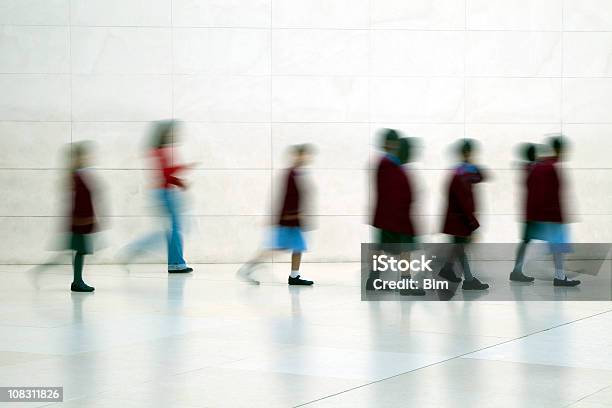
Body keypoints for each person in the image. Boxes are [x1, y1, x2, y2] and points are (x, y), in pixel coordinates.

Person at [120, 120, 195, 273]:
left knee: (173, 230)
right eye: (171, 133)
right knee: (173, 230)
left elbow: (165, 175)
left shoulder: (160, 151)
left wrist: (180, 183)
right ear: (165, 134)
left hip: (164, 192)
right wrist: (183, 168)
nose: (175, 135)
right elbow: (165, 174)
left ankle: (175, 263)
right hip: (164, 194)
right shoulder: (160, 151)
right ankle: (135, 250)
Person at [237, 144, 315, 286]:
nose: (307, 158)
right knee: (274, 248)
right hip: (288, 220)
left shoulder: (296, 173)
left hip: (293, 220)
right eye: (303, 154)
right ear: (297, 156)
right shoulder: (291, 174)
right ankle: (248, 268)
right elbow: (286, 197)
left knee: (298, 247)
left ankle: (294, 276)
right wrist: (290, 216)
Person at [366, 130, 425, 295]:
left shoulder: (388, 163)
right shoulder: (388, 164)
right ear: (391, 144)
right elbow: (394, 192)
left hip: (389, 215)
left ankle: (374, 279)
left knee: (381, 247)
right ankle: (404, 283)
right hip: (395, 217)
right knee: (404, 248)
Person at [515, 136, 579, 287]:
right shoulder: (549, 167)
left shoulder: (540, 166)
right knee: (557, 244)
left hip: (537, 214)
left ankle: (518, 270)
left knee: (530, 241)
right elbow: (548, 193)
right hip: (549, 214)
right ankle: (559, 276)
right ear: (559, 149)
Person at [438, 139, 489, 290]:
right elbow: (463, 202)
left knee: (458, 247)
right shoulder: (462, 174)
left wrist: (471, 165)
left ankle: (447, 270)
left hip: (456, 218)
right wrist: (472, 223)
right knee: (461, 248)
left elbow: (481, 177)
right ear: (467, 152)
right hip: (461, 219)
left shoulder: (460, 172)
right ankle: (468, 280)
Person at [68, 142, 98, 292]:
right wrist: (85, 219)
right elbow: (80, 201)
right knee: (80, 251)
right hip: (80, 222)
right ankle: (77, 282)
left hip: (82, 221)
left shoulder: (80, 174)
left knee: (80, 251)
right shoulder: (77, 176)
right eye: (84, 155)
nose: (87, 158)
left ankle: (77, 281)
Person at [509, 143, 538, 282]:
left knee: (526, 241)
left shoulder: (528, 168)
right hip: (533, 212)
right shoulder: (532, 169)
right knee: (526, 241)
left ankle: (517, 270)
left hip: (530, 211)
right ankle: (517, 271)